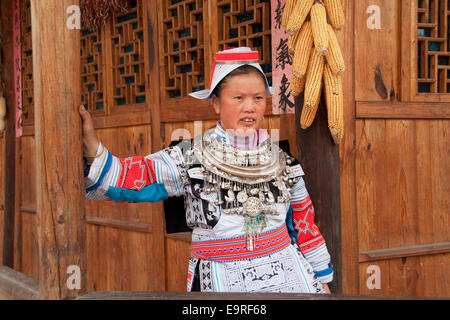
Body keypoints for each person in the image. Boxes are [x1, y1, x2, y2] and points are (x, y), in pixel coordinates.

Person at [80, 47, 333, 293]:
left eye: (258, 98)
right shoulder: (191, 156)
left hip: (288, 276)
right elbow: (137, 176)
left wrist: (322, 280)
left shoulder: (285, 162)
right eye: (238, 97)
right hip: (221, 278)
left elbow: (304, 224)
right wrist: (94, 148)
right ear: (216, 104)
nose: (250, 107)